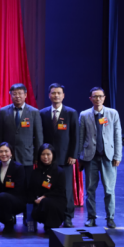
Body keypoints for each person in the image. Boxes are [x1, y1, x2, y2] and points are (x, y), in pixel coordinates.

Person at [77, 87, 122, 228]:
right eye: (95, 96)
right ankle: (91, 217)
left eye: (100, 96)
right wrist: (80, 157)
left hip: (108, 157)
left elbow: (117, 136)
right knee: (90, 190)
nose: (98, 99)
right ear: (90, 98)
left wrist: (118, 155)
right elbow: (80, 137)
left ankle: (110, 218)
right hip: (90, 158)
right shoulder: (84, 115)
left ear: (104, 98)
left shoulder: (112, 113)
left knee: (109, 190)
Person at [40, 84, 79, 227]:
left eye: (59, 93)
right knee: (47, 186)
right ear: (49, 95)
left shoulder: (71, 112)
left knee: (66, 188)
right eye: (53, 93)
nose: (56, 95)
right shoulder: (42, 113)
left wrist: (73, 155)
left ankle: (68, 217)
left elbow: (75, 135)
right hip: (47, 159)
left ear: (63, 95)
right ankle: (51, 216)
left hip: (65, 157)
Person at [0, 142, 28, 232]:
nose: (3, 154)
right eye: (1, 151)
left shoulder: (18, 167)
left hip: (17, 200)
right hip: (2, 199)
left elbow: (18, 189)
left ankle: (9, 221)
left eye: (6, 151)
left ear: (11, 153)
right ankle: (5, 220)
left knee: (3, 196)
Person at [0, 83, 43, 166]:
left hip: (27, 156)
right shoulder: (3, 111)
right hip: (7, 156)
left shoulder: (34, 112)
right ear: (10, 95)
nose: (17, 96)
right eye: (14, 94)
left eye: (20, 93)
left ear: (25, 95)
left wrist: (37, 156)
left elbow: (38, 136)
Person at [30, 144, 67, 231]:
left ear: (53, 155)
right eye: (43, 154)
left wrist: (44, 197)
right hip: (38, 201)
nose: (45, 157)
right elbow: (31, 189)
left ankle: (51, 227)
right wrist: (35, 199)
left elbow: (60, 190)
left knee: (47, 202)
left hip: (56, 199)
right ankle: (33, 226)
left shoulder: (59, 171)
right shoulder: (35, 172)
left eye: (48, 154)